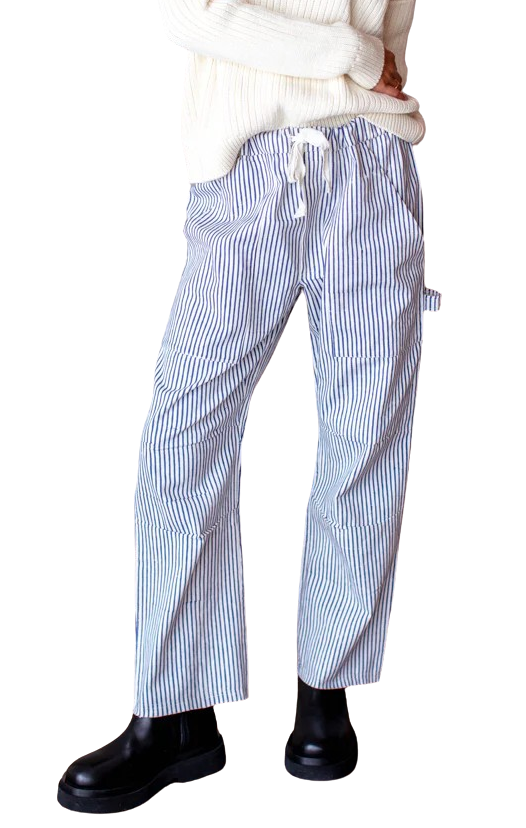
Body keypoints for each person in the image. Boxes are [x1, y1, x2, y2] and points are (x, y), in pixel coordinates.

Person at [57, 0, 441, 811]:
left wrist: (352, 58)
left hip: (372, 157)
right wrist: (347, 51)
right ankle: (174, 711)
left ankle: (328, 694)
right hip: (248, 167)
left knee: (366, 436)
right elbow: (190, 13)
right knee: (182, 434)